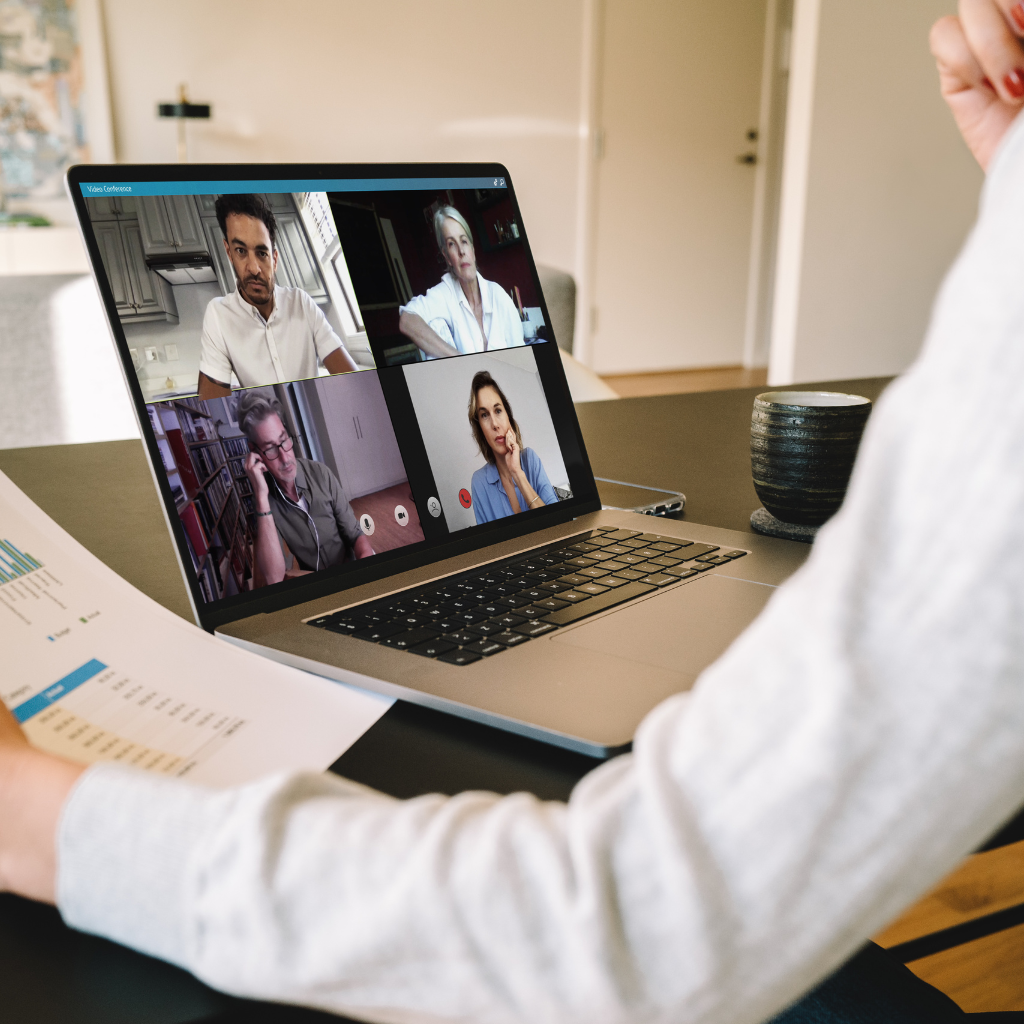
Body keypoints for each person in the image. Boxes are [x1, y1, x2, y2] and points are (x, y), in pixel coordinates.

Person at [4, 7, 1024, 1023]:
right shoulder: (269, 339)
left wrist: (41, 822)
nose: (252, 265)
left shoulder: (375, 335)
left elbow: (634, 925)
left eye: (262, 247)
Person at [197, 194, 361, 399]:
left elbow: (354, 382)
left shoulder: (302, 303)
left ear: (274, 259)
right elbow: (213, 403)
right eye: (240, 251)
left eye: (262, 253)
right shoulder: (218, 315)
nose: (254, 268)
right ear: (229, 253)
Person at [236, 391, 373, 585]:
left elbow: (356, 535)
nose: (285, 458)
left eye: (283, 440)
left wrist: (367, 560)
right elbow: (274, 577)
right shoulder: (264, 501)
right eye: (271, 449)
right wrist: (260, 497)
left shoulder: (321, 474)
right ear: (255, 453)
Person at [398, 205, 527, 358]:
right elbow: (406, 320)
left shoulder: (498, 296)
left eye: (464, 241)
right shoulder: (446, 294)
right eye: (452, 244)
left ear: (472, 250)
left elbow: (521, 357)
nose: (461, 251)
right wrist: (459, 358)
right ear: (447, 257)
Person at [467, 370, 557, 523]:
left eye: (498, 411)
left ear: (508, 416)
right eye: (484, 415)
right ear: (480, 428)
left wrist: (517, 472)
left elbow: (559, 523)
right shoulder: (479, 482)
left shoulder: (530, 459)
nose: (495, 424)